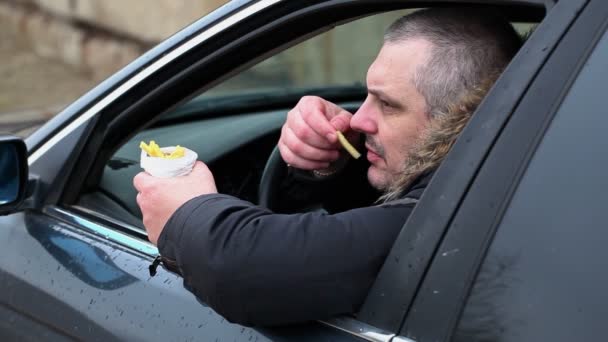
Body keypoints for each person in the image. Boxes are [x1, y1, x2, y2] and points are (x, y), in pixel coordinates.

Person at [133, 8, 522, 326]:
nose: (357, 120)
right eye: (366, 95)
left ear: (457, 122)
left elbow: (246, 271)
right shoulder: (501, 174)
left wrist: (185, 213)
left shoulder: (459, 216)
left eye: (387, 105)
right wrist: (331, 166)